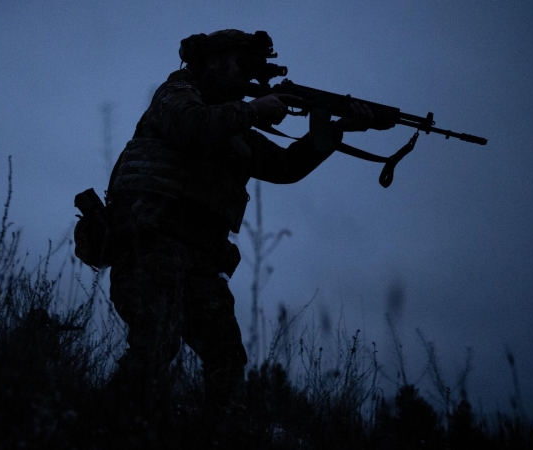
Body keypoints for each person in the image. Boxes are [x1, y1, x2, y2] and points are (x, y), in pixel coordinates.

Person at [103, 29, 391, 417]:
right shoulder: (177, 93)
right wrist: (254, 111)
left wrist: (337, 128)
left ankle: (221, 435)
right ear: (212, 61)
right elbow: (194, 125)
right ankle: (102, 424)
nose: (251, 77)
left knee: (226, 356)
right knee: (158, 339)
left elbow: (286, 166)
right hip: (151, 243)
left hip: (201, 260)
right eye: (244, 65)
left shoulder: (235, 130)